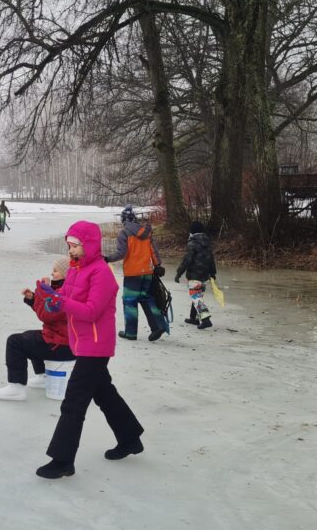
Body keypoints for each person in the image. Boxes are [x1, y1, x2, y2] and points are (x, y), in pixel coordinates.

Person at [35, 221, 144, 479]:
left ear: (89, 245)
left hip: (95, 345)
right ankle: (130, 437)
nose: (70, 250)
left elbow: (91, 311)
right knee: (104, 392)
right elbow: (69, 303)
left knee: (74, 401)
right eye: (69, 245)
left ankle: (62, 460)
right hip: (81, 342)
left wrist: (61, 300)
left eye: (75, 246)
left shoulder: (100, 273)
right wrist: (51, 299)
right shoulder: (75, 270)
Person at [0, 257, 73, 400]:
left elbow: (46, 315)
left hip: (62, 346)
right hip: (62, 342)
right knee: (31, 335)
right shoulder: (62, 290)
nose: (51, 273)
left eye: (55, 271)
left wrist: (41, 292)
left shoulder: (64, 293)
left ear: (66, 274)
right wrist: (33, 299)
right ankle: (43, 376)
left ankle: (16, 386)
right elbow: (45, 310)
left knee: (15, 342)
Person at [105, 205, 168, 341]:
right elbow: (153, 250)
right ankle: (157, 326)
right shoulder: (146, 232)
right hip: (147, 272)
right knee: (146, 298)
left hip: (132, 274)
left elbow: (122, 253)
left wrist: (107, 258)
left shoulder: (124, 233)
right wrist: (158, 265)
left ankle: (131, 332)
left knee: (130, 302)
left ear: (124, 220)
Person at [175, 220, 217, 330]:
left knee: (196, 296)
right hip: (205, 274)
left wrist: (179, 273)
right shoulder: (208, 243)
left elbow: (187, 260)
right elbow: (211, 259)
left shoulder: (192, 243)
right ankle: (193, 318)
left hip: (194, 274)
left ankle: (205, 319)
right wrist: (213, 273)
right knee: (197, 295)